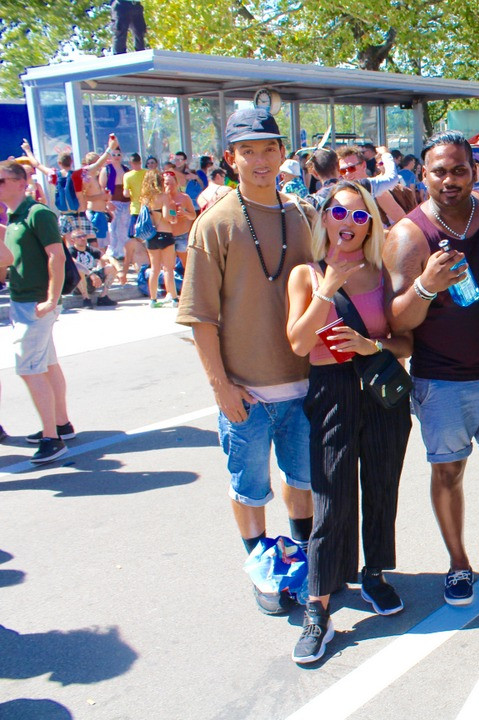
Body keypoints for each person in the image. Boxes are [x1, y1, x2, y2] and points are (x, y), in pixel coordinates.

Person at [382, 131, 479, 609]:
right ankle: (458, 564)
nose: (449, 180)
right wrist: (426, 286)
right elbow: (398, 321)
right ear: (422, 174)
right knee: (448, 473)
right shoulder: (408, 234)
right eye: (439, 171)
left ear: (475, 171)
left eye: (459, 170)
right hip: (441, 382)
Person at [176, 107, 316, 615]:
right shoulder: (214, 224)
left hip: (305, 386)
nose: (260, 160)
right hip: (246, 393)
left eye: (268, 149)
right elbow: (199, 318)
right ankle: (263, 573)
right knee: (250, 489)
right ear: (231, 159)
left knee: (302, 484)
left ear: (283, 153)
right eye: (248, 151)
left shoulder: (303, 214)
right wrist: (221, 387)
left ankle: (304, 562)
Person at [285, 180, 413, 663]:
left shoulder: (381, 272)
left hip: (382, 391)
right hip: (332, 392)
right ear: (323, 220)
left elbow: (407, 342)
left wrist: (373, 347)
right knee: (332, 496)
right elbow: (298, 343)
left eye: (361, 217)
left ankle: (374, 574)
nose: (349, 224)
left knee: (381, 486)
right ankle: (317, 607)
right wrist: (328, 288)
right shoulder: (306, 274)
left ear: (371, 225)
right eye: (339, 214)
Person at [0, 160, 74, 464]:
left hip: (35, 302)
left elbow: (56, 257)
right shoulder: (14, 217)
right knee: (47, 364)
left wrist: (50, 299)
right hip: (24, 300)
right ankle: (61, 424)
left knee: (30, 369)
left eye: (1, 180)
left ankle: (51, 439)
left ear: (21, 182)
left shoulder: (36, 213)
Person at [140, 170, 178, 307]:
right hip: (165, 233)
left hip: (151, 236)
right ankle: (173, 298)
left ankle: (153, 299)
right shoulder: (163, 197)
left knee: (154, 268)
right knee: (168, 268)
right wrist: (173, 216)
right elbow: (167, 216)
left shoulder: (145, 199)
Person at [69, 229, 119, 308]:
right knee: (79, 271)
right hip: (77, 285)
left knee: (111, 267)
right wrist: (91, 274)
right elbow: (75, 264)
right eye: (79, 237)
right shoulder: (70, 251)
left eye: (84, 236)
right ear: (73, 240)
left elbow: (108, 258)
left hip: (92, 280)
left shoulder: (91, 249)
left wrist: (120, 271)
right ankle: (86, 298)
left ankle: (103, 297)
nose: (83, 238)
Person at [121, 152, 147, 284]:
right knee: (146, 237)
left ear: (131, 163)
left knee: (133, 238)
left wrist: (131, 192)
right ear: (140, 161)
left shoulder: (127, 175)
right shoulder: (146, 173)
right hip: (147, 208)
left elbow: (125, 193)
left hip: (136, 209)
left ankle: (138, 267)